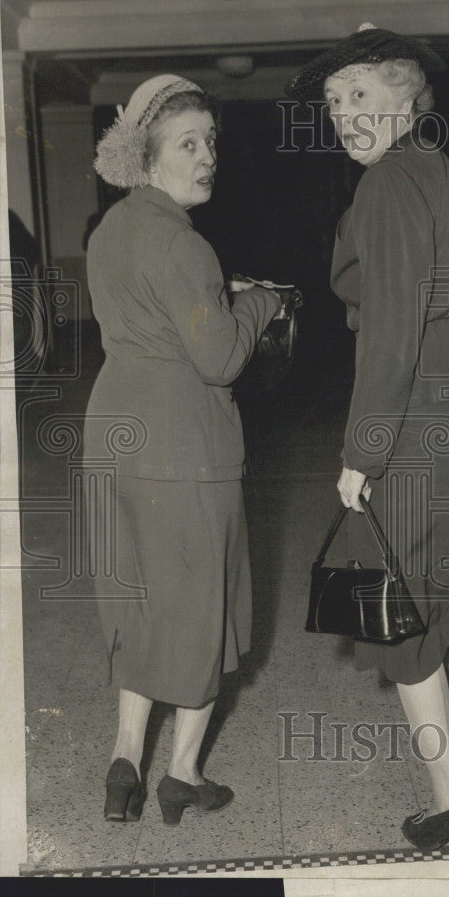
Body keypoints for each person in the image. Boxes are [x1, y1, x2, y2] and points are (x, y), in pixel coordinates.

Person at [286, 26, 449, 858]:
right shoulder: (446, 174)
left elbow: (392, 334)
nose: (343, 115)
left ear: (406, 96)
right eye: (334, 104)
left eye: (360, 95)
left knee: (398, 608)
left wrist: (361, 453)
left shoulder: (388, 186)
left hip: (427, 406)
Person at [87, 75, 281, 825]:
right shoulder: (184, 242)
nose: (207, 158)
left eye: (210, 143)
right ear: (146, 156)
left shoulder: (108, 231)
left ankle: (124, 759)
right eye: (187, 145)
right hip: (184, 449)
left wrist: (217, 296)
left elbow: (158, 313)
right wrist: (259, 302)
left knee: (140, 606)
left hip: (114, 436)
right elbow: (221, 359)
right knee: (203, 612)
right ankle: (183, 774)